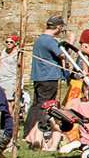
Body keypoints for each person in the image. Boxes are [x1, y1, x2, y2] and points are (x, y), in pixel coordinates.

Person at [24, 16, 69, 150]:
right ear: (58, 27)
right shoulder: (49, 41)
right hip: (48, 77)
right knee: (46, 106)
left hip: (40, 77)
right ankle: (36, 134)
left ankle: (28, 132)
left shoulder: (40, 40)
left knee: (37, 106)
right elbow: (62, 55)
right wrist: (70, 42)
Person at [0, 35, 23, 102]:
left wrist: (19, 82)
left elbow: (21, 67)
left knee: (9, 101)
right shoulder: (3, 51)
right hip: (1, 78)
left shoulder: (18, 53)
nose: (8, 43)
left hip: (11, 79)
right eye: (7, 42)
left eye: (11, 42)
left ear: (15, 43)